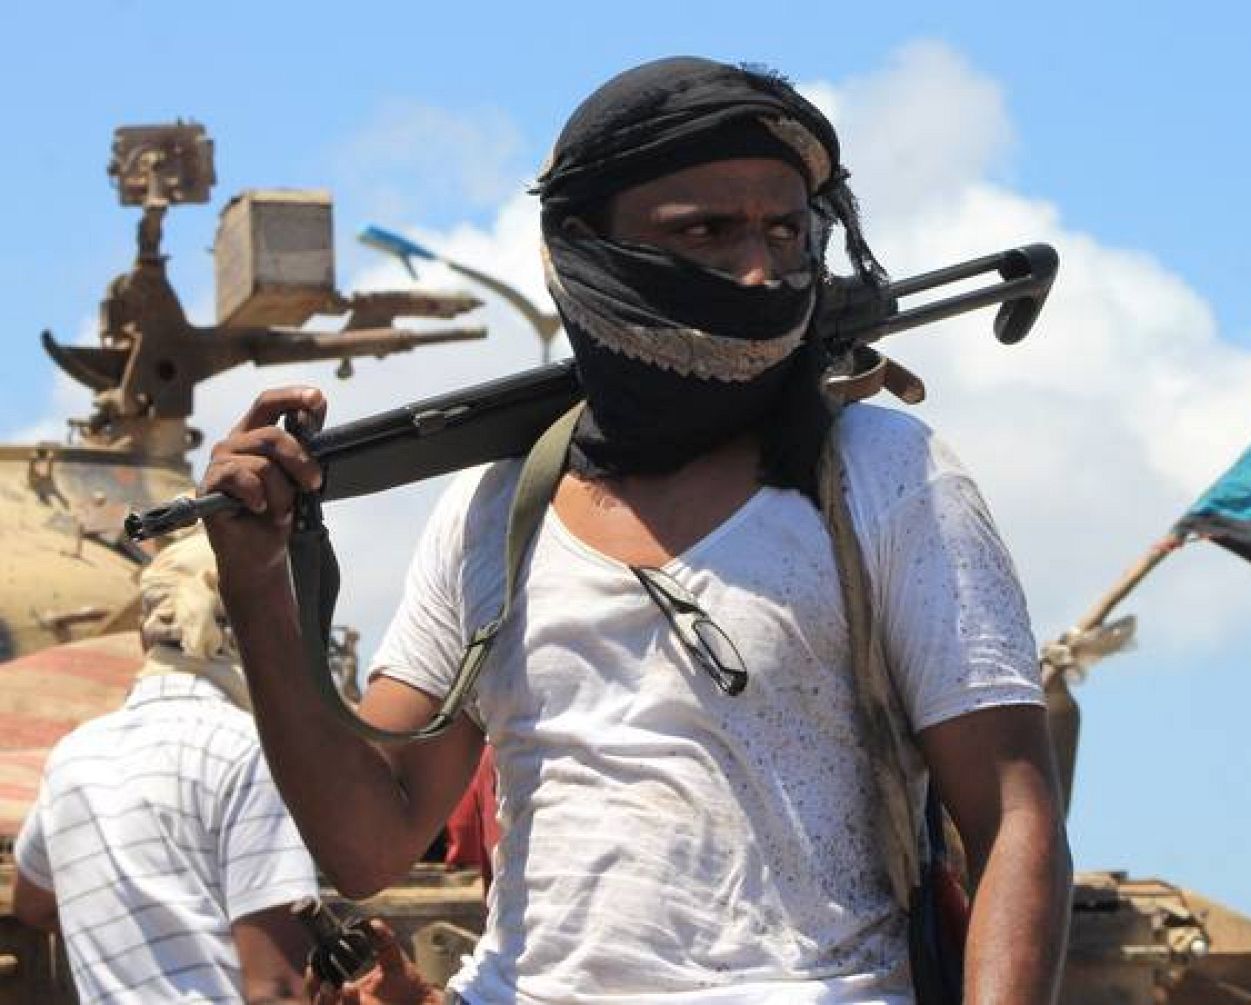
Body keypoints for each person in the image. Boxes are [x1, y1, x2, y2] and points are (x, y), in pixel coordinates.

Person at [205, 56, 1070, 1004]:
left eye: (786, 231)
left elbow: (1013, 817)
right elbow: (367, 842)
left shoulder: (885, 475)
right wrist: (255, 585)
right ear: (580, 247)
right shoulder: (495, 511)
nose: (758, 269)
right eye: (704, 231)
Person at [11, 532, 319, 1004]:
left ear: (144, 635)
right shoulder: (250, 751)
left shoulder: (73, 758)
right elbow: (277, 988)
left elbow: (31, 903)